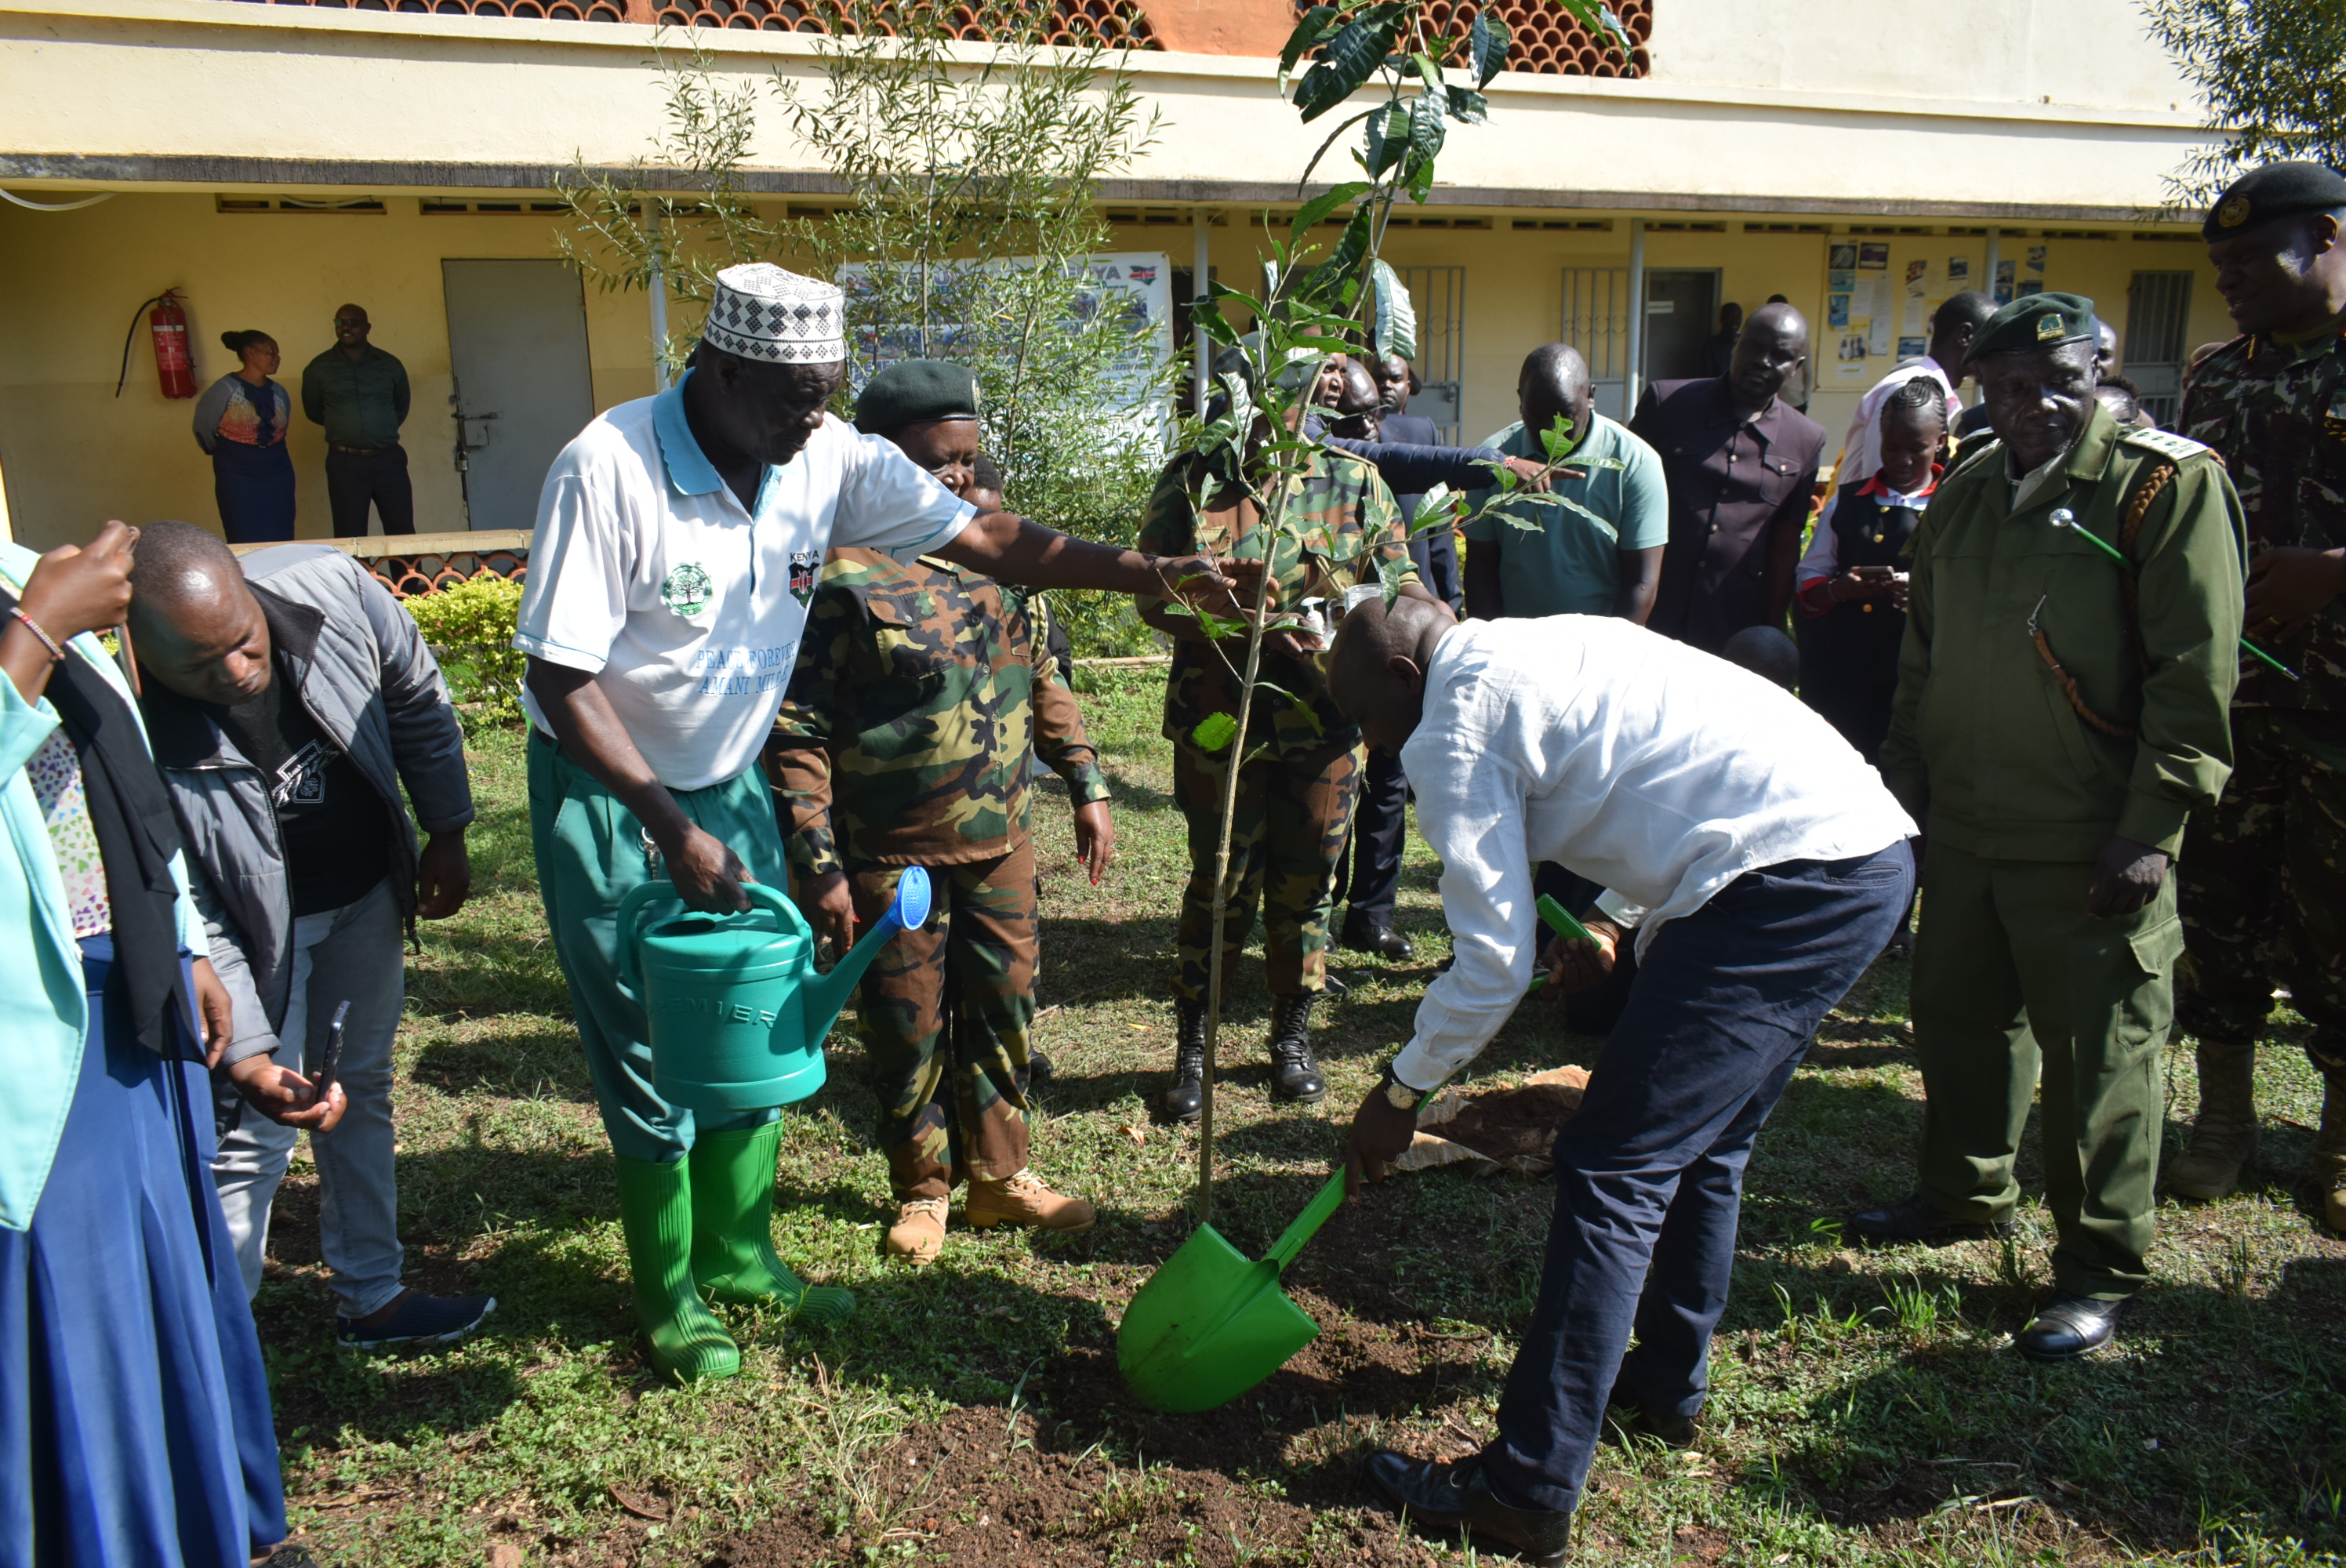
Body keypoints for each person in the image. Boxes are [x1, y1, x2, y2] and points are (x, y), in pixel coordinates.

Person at [515, 263, 1240, 1382]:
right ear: (718, 365)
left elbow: (993, 542)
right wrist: (669, 823)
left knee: (754, 1034)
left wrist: (1154, 573)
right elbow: (563, 680)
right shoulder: (608, 468)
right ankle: (670, 1297)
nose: (815, 418)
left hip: (727, 791)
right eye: (795, 394)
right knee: (652, 1054)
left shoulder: (824, 457)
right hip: (618, 799)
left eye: (829, 393)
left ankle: (744, 1256)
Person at [1330, 596, 1914, 1566]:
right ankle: (1664, 1387)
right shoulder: (1545, 639)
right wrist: (1606, 915)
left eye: (1368, 720)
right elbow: (1671, 772)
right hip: (1859, 853)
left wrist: (1398, 1093)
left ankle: (1523, 1486)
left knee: (1612, 1165)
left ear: (1402, 678)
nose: (1374, 744)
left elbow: (1490, 963)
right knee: (1706, 1141)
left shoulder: (1450, 728)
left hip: (1782, 882)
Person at [1846, 293, 2247, 1359]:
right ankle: (1962, 1194)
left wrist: (2152, 826)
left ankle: (2099, 1265)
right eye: (2007, 389)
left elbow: (2195, 676)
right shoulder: (1969, 491)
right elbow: (1920, 665)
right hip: (1971, 827)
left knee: (2102, 1063)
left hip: (2088, 840)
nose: (2029, 409)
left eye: (2053, 384)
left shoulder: (2162, 487)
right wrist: (1904, 799)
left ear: (2100, 369)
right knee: (1960, 1026)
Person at [768, 361, 1111, 1265]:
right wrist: (818, 861)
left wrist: (1087, 781)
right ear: (883, 457)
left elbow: (1043, 676)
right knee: (906, 1019)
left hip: (1001, 838)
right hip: (893, 851)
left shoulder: (996, 559)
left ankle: (1001, 1178)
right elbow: (795, 727)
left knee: (1005, 1007)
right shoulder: (838, 574)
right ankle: (922, 1189)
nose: (959, 477)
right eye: (938, 460)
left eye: (968, 458)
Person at [0, 521, 296, 1565]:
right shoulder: (37, 607)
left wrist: (179, 944)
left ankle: (209, 1528)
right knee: (81, 1324)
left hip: (129, 995)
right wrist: (35, 638)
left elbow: (109, 778)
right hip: (32, 1041)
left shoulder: (21, 571)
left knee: (164, 1286)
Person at [125, 521, 496, 1349]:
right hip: (255, 944)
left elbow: (414, 697)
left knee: (358, 1089)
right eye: (198, 664)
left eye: (243, 643)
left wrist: (447, 826)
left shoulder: (331, 589)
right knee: (252, 1133)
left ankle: (373, 1294)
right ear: (141, 649)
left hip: (363, 892)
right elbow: (187, 901)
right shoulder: (134, 720)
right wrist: (251, 1052)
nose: (235, 672)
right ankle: (212, 1350)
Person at [1135, 344, 1439, 1122]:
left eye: (1314, 398)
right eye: (1289, 394)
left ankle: (1289, 1038)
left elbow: (1400, 585)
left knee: (1307, 886)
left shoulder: (1356, 482)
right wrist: (1222, 618)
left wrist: (1344, 619)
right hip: (1219, 720)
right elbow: (1147, 594)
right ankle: (1193, 1046)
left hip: (1322, 717)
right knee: (1219, 882)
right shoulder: (1196, 479)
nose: (1302, 411)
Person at [2167, 161, 2346, 1223]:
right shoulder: (2213, 381)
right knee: (2218, 912)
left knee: (2341, 926)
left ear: (2323, 237)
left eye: (2245, 260)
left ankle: (2335, 1140)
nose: (2228, 281)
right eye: (2218, 264)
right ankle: (2222, 1118)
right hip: (2232, 705)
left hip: (2339, 712)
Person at [1632, 303, 1827, 652]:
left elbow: (1785, 544)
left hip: (1731, 622)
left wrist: (1772, 629)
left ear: (1797, 368)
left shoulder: (1805, 440)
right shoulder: (1668, 403)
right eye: (1754, 346)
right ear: (1737, 343)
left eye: (1780, 355)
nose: (1763, 361)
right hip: (1651, 607)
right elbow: (1623, 497)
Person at [1794, 376, 1947, 766]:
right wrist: (1839, 590)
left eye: (1918, 449)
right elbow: (1810, 577)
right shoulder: (1847, 502)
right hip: (1847, 673)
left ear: (1941, 442)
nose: (1902, 460)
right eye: (1891, 447)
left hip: (1920, 677)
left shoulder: (1954, 504)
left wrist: (1926, 596)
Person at [1462, 344, 1668, 626]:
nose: (1550, 430)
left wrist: (1609, 657)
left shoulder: (1635, 464)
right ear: (1521, 400)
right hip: (1516, 645)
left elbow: (1642, 583)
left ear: (1591, 396)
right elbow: (1480, 569)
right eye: (1536, 415)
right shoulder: (1494, 460)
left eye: (1565, 415)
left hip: (1597, 648)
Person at [1833, 292, 1995, 490]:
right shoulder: (1906, 393)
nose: (1997, 355)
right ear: (1965, 336)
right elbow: (1881, 482)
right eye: (1992, 342)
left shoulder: (1936, 392)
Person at [300, 303, 414, 539]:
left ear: (367, 327)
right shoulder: (319, 368)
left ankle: (408, 579)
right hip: (345, 464)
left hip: (388, 459)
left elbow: (401, 406)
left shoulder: (389, 364)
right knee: (349, 535)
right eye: (340, 323)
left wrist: (377, 430)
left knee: (401, 530)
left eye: (354, 322)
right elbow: (313, 410)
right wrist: (346, 427)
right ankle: (355, 579)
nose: (347, 328)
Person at [193, 330, 297, 545]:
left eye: (277, 353)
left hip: (278, 471)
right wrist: (230, 453)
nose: (277, 359)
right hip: (237, 473)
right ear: (250, 353)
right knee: (243, 532)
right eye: (271, 353)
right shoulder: (223, 390)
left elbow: (283, 427)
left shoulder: (279, 392)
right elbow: (203, 429)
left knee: (281, 531)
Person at [1696, 300, 1743, 379]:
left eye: (1738, 317)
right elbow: (1706, 378)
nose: (1734, 321)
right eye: (1730, 317)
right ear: (1722, 319)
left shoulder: (1746, 344)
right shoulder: (1710, 346)